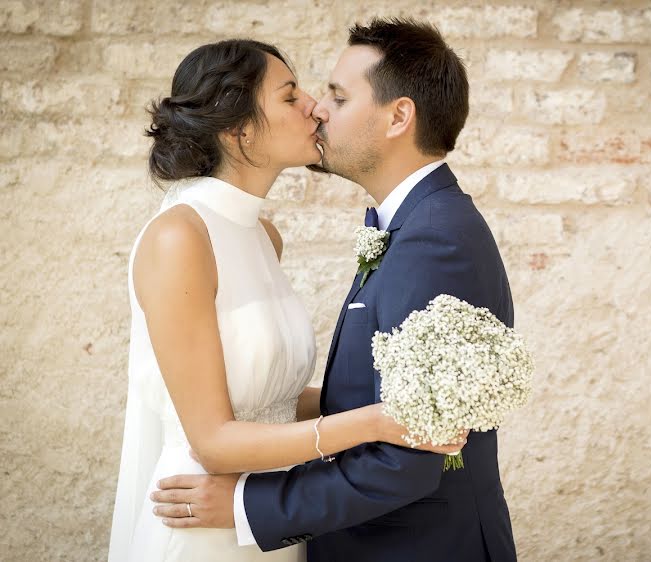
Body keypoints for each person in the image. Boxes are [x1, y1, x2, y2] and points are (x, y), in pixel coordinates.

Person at [152, 19, 518, 562]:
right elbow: (376, 402)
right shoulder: (408, 225)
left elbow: (409, 456)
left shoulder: (435, 240)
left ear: (399, 116)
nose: (319, 109)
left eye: (339, 97)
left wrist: (249, 504)